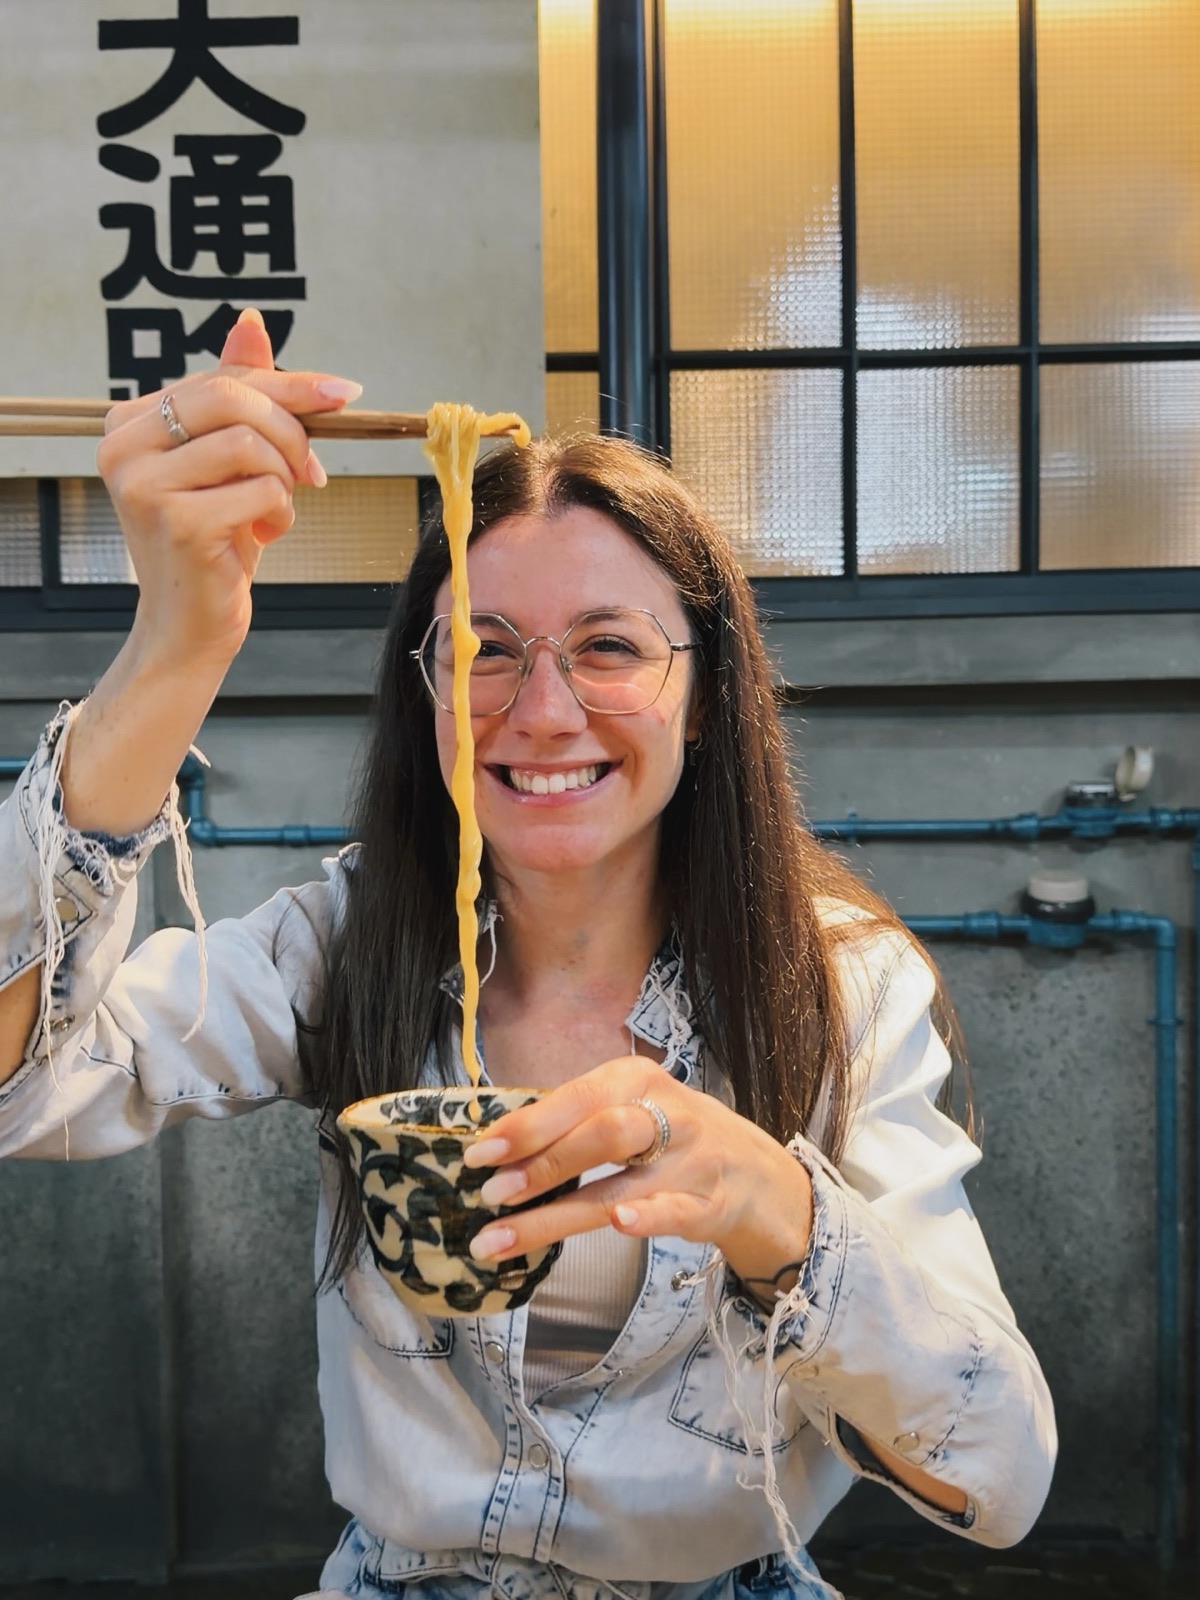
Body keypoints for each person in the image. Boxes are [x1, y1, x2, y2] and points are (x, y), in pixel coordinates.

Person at [0, 310, 1055, 1600]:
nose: (542, 712)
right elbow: (25, 1088)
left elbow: (998, 1476)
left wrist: (771, 1208)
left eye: (609, 647)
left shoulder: (837, 985)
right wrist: (174, 647)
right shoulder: (349, 941)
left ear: (706, 694)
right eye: (483, 652)